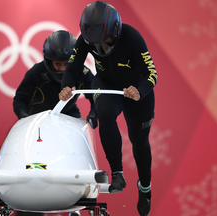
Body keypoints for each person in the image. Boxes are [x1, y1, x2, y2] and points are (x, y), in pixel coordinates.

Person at [59, 1, 158, 216]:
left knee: (139, 141)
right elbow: (73, 67)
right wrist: (66, 87)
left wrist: (140, 91)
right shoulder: (86, 40)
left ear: (116, 30)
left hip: (137, 90)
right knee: (103, 112)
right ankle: (117, 173)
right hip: (106, 84)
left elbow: (152, 73)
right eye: (96, 45)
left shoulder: (132, 37)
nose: (101, 48)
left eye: (106, 42)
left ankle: (145, 188)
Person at [13, 30, 97, 216]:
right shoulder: (37, 72)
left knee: (80, 138)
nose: (61, 69)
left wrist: (93, 116)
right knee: (35, 164)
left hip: (68, 118)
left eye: (66, 64)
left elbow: (96, 99)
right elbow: (20, 98)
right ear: (48, 60)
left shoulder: (83, 73)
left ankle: (76, 198)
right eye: (57, 64)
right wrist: (23, 117)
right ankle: (31, 203)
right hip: (38, 122)